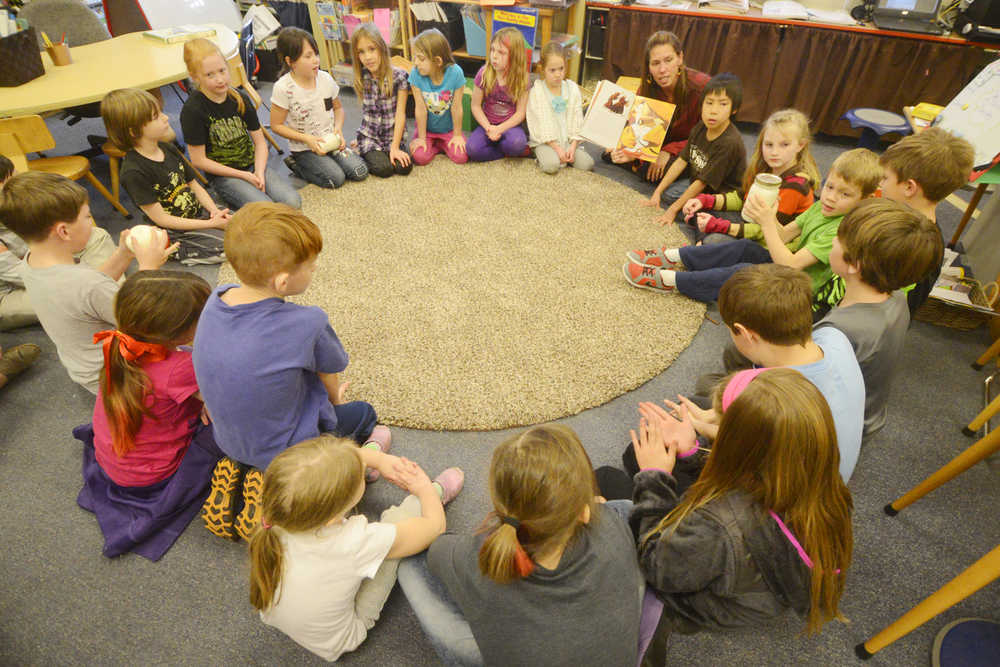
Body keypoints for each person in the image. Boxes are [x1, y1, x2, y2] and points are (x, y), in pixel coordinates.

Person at [193, 202, 392, 541]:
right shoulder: (308, 322)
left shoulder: (216, 298)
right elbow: (329, 371)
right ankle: (300, 477)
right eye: (311, 266)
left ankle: (246, 472)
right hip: (294, 451)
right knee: (362, 414)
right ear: (283, 281)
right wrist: (334, 399)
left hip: (228, 439)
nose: (314, 271)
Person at [629, 368, 852, 661]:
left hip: (705, 604)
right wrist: (692, 453)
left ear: (739, 445)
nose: (710, 426)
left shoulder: (718, 525)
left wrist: (653, 477)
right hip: (763, 586)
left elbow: (661, 568)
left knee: (613, 487)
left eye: (720, 422)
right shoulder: (819, 478)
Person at [397, 423, 644, 667]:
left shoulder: (476, 558)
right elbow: (613, 509)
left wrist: (427, 495)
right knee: (610, 480)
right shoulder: (616, 519)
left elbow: (437, 548)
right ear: (584, 512)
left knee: (410, 563)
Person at [250, 435, 464, 662]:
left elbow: (319, 465)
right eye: (355, 476)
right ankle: (435, 493)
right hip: (340, 639)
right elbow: (434, 527)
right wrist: (424, 490)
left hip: (282, 616)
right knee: (398, 521)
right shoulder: (354, 541)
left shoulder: (277, 516)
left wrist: (378, 460)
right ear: (333, 517)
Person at [75, 270, 222, 561]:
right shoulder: (180, 367)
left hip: (115, 463)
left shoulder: (117, 343)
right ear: (183, 331)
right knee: (228, 430)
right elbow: (227, 401)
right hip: (152, 477)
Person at [624, 148, 881, 306]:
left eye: (845, 194)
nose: (831, 197)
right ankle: (672, 257)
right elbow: (784, 234)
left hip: (795, 292)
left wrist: (767, 223)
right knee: (745, 247)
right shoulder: (822, 207)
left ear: (865, 200)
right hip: (786, 270)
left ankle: (671, 280)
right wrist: (766, 216)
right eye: (830, 187)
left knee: (744, 271)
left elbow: (790, 264)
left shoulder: (840, 230)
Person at [0, 172, 174, 394]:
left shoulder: (31, 262)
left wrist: (123, 254)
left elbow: (86, 290)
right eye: (87, 217)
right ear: (63, 231)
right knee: (186, 345)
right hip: (121, 377)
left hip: (85, 369)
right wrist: (148, 267)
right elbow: (143, 323)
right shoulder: (88, 285)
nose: (91, 223)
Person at [815, 198, 943, 436]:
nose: (833, 240)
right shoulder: (896, 298)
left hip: (831, 429)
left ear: (854, 264)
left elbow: (808, 390)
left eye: (838, 239)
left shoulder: (838, 331)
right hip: (865, 416)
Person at [102, 88, 229, 265]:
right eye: (156, 116)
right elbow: (162, 219)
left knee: (244, 224)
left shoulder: (167, 148)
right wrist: (211, 224)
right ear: (133, 131)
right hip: (173, 230)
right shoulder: (133, 172)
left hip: (198, 212)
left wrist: (214, 211)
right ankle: (181, 252)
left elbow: (194, 185)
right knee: (232, 248)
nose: (166, 117)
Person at [180, 38, 301, 209]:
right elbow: (199, 161)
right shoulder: (193, 110)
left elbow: (260, 142)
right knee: (267, 209)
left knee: (292, 202)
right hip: (225, 176)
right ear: (194, 77)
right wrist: (243, 176)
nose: (220, 79)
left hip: (253, 164)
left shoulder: (239, 98)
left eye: (222, 70)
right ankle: (228, 197)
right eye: (210, 75)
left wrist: (259, 171)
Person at [1, 156, 118, 332]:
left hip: (45, 260)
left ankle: (105, 294)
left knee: (96, 236)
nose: (16, 190)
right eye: (7, 188)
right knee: (68, 296)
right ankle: (114, 300)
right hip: (12, 292)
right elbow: (24, 276)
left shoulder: (16, 206)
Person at [874, 127, 974, 315]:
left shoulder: (910, 246)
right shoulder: (908, 227)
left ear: (909, 187)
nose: (880, 184)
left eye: (885, 178)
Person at [683, 108, 819, 244]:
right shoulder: (765, 169)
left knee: (713, 240)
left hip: (770, 241)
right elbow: (741, 199)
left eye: (784, 145)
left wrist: (721, 226)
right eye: (769, 144)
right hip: (750, 219)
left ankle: (703, 239)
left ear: (800, 145)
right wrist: (704, 200)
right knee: (698, 208)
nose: (774, 152)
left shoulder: (795, 186)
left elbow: (764, 232)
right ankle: (703, 238)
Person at [642, 73, 747, 226]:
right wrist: (656, 193)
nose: (713, 110)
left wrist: (672, 211)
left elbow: (702, 183)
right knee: (667, 195)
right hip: (700, 181)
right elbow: (682, 160)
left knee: (686, 210)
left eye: (723, 104)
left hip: (721, 194)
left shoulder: (729, 143)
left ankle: (714, 216)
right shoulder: (701, 126)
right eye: (709, 103)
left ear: (734, 109)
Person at [270, 27, 369, 189]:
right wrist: (308, 139)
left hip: (330, 141)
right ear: (290, 61)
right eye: (308, 56)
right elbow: (276, 125)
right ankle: (297, 165)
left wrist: (338, 130)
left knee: (360, 171)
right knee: (336, 179)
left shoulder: (325, 79)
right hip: (305, 148)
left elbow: (338, 109)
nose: (316, 60)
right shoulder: (283, 88)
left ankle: (326, 161)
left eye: (316, 54)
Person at [608, 31, 710, 182]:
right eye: (655, 63)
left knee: (653, 172)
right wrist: (629, 148)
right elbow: (641, 127)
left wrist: (669, 151)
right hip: (662, 139)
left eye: (668, 60)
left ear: (680, 58)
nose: (662, 70)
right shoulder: (647, 88)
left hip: (694, 145)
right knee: (611, 151)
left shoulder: (702, 87)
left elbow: (708, 137)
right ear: (648, 67)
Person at [350, 24, 413, 178]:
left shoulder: (399, 76)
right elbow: (368, 115)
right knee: (384, 169)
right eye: (361, 52)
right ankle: (361, 146)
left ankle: (370, 150)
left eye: (372, 49)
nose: (368, 57)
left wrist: (395, 147)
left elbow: (400, 115)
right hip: (370, 137)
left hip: (393, 137)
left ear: (381, 48)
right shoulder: (362, 77)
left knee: (404, 168)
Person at [526, 41, 593, 174]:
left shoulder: (572, 89)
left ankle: (565, 154)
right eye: (552, 70)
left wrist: (573, 147)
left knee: (587, 164)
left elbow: (577, 119)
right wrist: (557, 148)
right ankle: (542, 155)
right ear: (543, 69)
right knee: (551, 166)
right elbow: (538, 124)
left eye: (561, 69)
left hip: (567, 142)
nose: (558, 74)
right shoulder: (537, 91)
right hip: (546, 142)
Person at [467, 27, 530, 163]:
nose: (494, 56)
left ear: (514, 56)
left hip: (510, 126)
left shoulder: (522, 78)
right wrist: (489, 128)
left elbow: (520, 113)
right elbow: (475, 106)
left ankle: (503, 146)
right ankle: (501, 151)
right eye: (492, 50)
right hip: (487, 124)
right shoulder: (483, 73)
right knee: (472, 150)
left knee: (517, 144)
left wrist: (500, 129)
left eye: (501, 52)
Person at [408, 28, 468, 166]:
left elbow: (457, 107)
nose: (416, 63)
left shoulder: (456, 73)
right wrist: (422, 138)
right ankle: (434, 145)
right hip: (427, 131)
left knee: (461, 157)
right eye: (414, 57)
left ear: (438, 61)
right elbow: (420, 109)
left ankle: (441, 144)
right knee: (419, 158)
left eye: (421, 58)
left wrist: (457, 135)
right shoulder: (415, 74)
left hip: (449, 130)